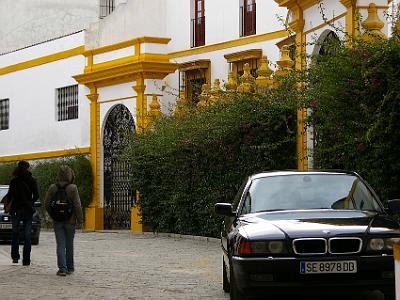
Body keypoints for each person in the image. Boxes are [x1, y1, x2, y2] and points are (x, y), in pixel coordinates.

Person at [45, 165, 83, 276]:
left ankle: (62, 269)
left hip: (57, 221)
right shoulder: (73, 188)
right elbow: (77, 205)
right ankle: (70, 267)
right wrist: (80, 220)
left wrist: (53, 214)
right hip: (70, 221)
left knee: (60, 244)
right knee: (69, 244)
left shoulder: (53, 187)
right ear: (70, 175)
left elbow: (47, 203)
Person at [7, 160, 39, 266]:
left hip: (16, 210)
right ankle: (26, 260)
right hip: (27, 210)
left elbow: (10, 195)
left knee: (15, 233)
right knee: (27, 235)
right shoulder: (32, 180)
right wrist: (30, 202)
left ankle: (15, 257)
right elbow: (36, 195)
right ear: (28, 168)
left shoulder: (14, 181)